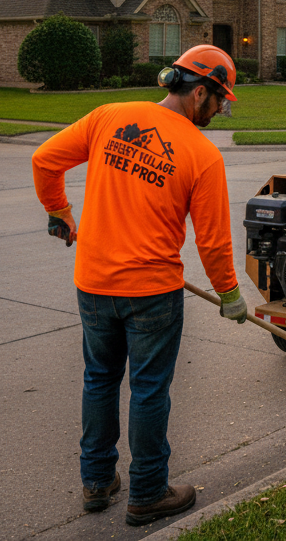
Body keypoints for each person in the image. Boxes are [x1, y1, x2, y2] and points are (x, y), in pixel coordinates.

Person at [33, 45, 248, 526]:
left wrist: (59, 212)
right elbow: (213, 243)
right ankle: (148, 492)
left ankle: (96, 482)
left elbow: (45, 161)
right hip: (152, 293)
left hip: (93, 284)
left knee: (100, 379)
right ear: (199, 93)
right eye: (220, 101)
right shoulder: (202, 155)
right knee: (149, 390)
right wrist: (230, 296)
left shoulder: (109, 117)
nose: (219, 110)